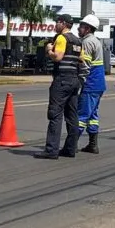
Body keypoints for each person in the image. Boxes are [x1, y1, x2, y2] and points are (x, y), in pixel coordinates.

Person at [36, 14, 83, 160]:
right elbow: (81, 59)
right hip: (74, 80)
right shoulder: (77, 41)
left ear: (63, 24)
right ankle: (70, 149)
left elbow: (58, 57)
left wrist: (49, 50)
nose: (56, 24)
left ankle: (51, 150)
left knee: (55, 114)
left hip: (62, 80)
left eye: (57, 22)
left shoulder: (62, 38)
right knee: (72, 115)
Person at [77, 14, 106, 154]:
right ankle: (93, 144)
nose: (78, 28)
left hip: (90, 83)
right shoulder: (96, 41)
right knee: (92, 115)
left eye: (81, 26)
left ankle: (71, 144)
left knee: (81, 115)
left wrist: (79, 81)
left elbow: (85, 65)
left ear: (87, 28)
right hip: (98, 84)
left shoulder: (87, 42)